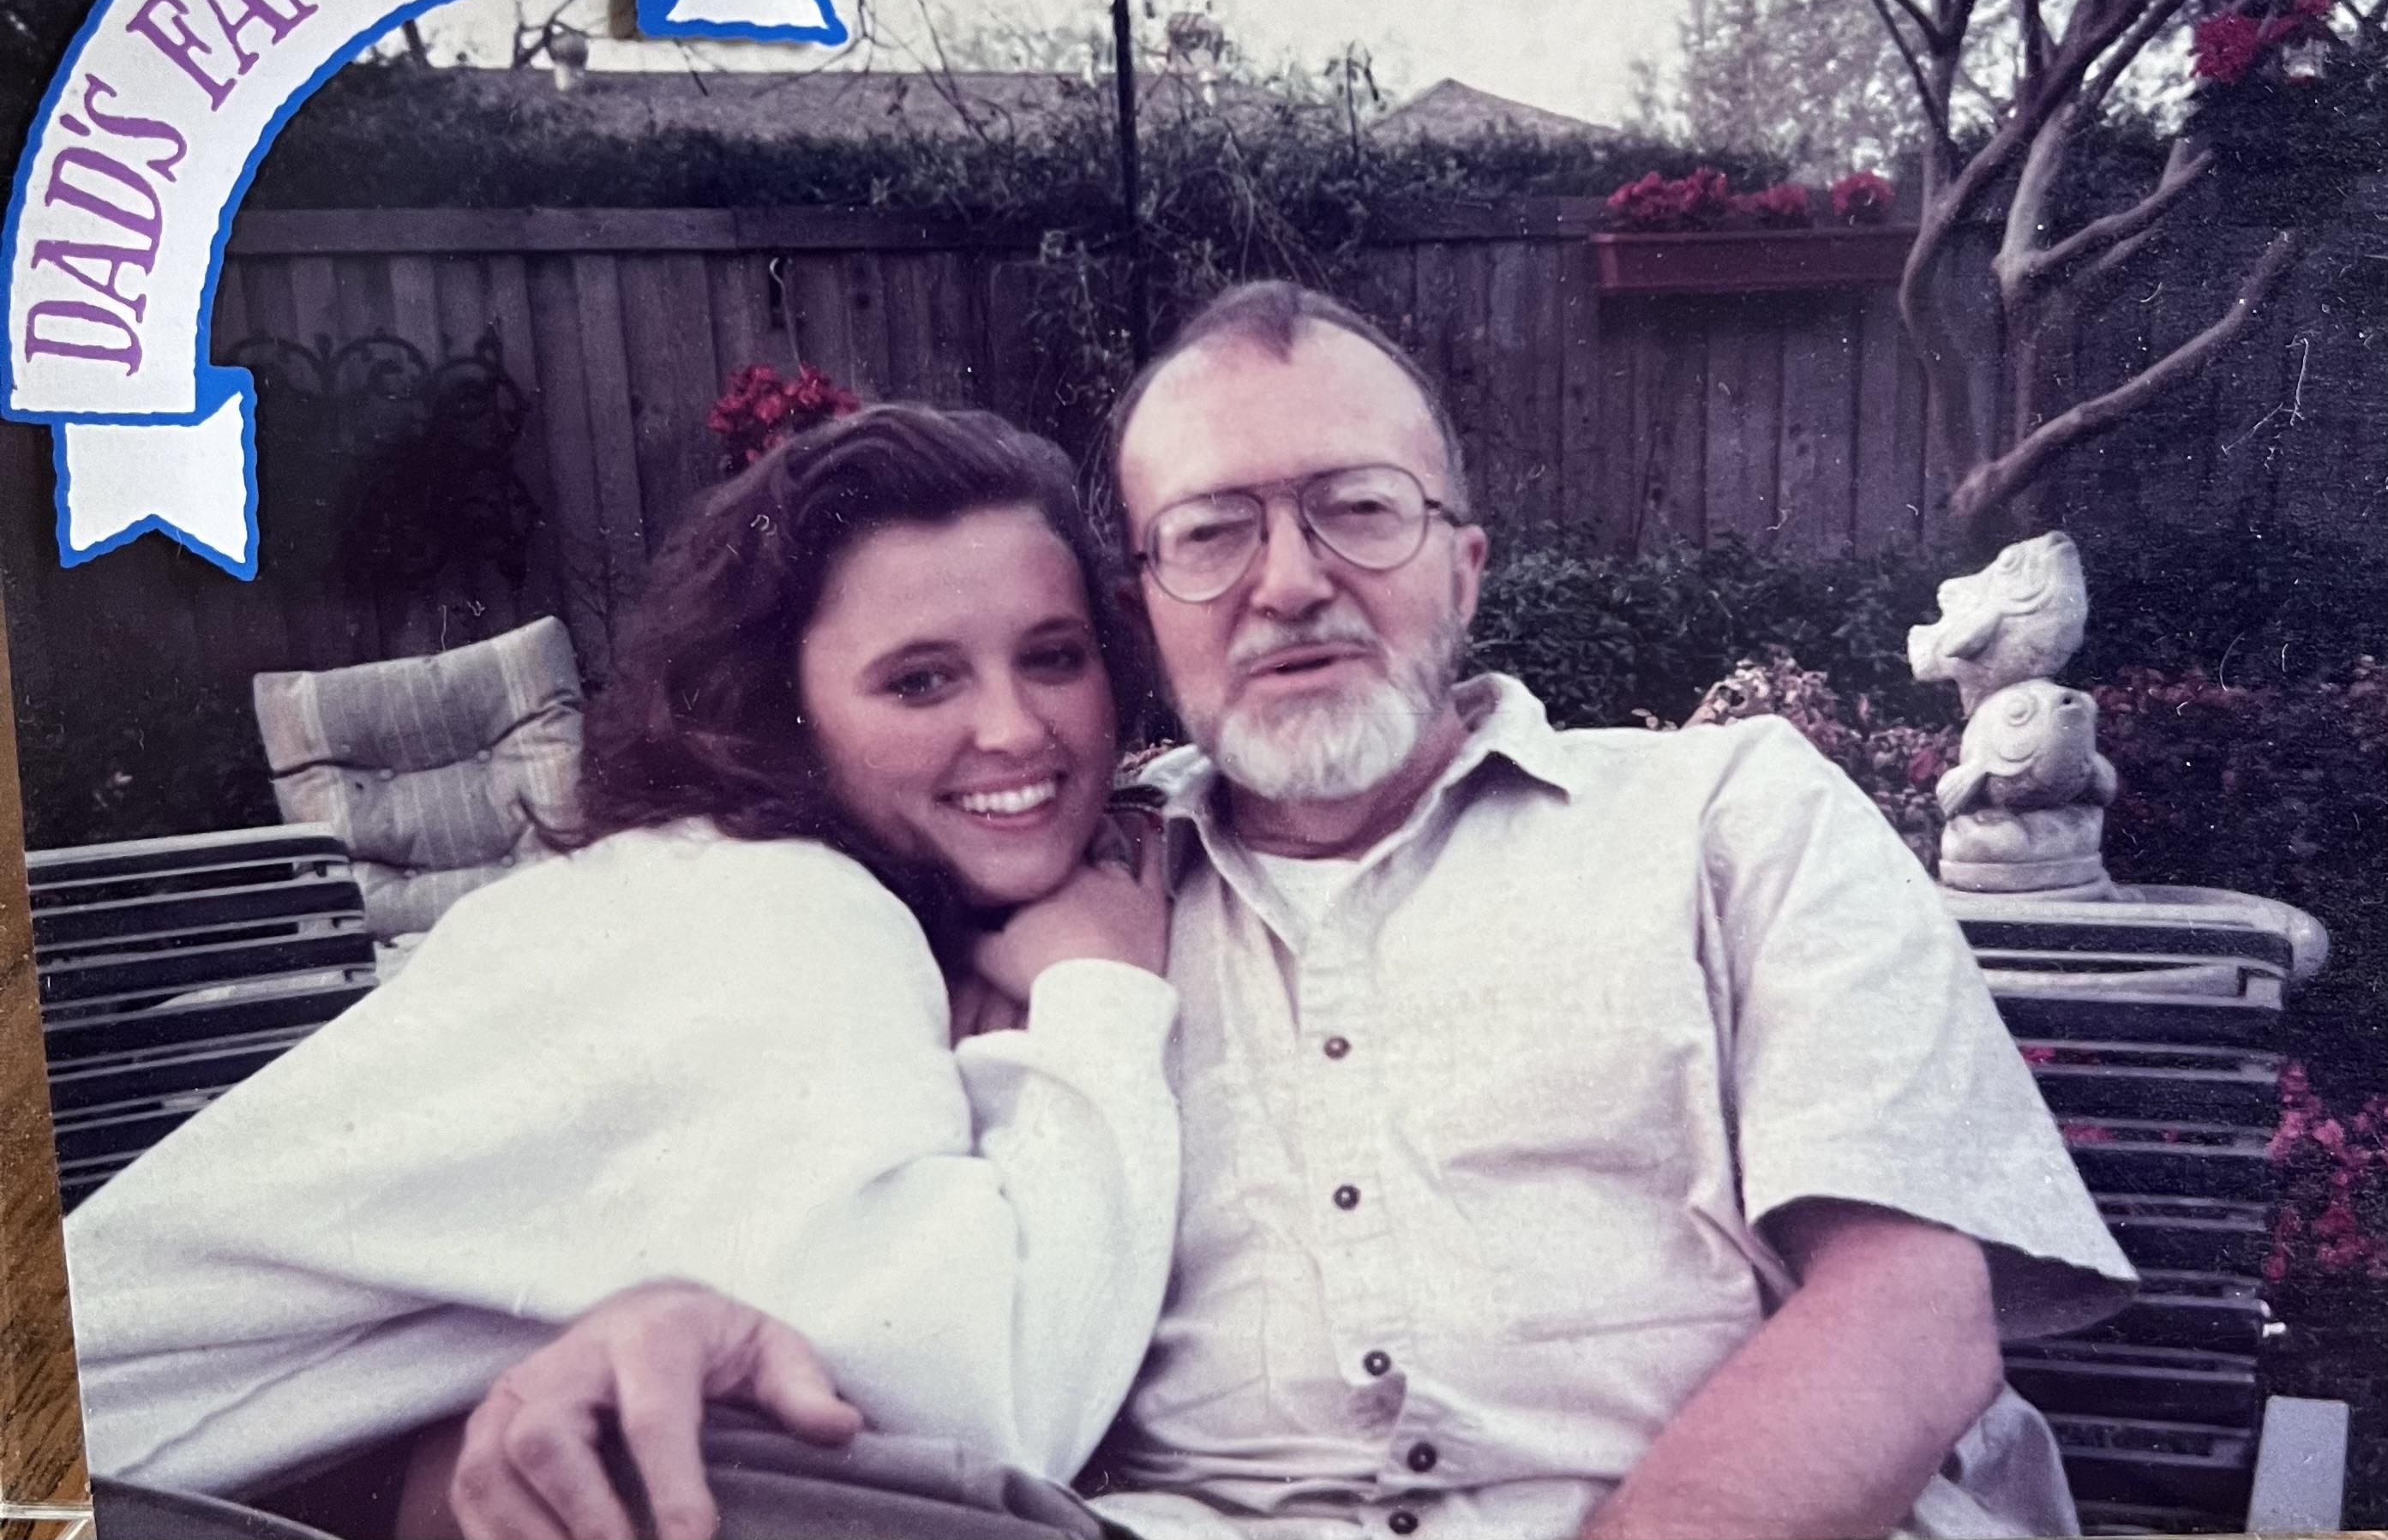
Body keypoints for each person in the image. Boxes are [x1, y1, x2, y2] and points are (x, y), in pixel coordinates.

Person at [453, 281, 2141, 1540]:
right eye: (1213, 530)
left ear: (1464, 565)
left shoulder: (1731, 814)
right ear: (1144, 607)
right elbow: (923, 1297)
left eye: (1357, 507)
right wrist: (683, 1310)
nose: (1287, 578)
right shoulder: (1057, 894)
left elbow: (1911, 1311)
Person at [62, 404, 1183, 1540]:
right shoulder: (782, 907)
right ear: (781, 713)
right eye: (919, 681)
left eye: (1052, 657)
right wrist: (1098, 989)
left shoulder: (731, 883)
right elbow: (985, 1415)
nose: (1013, 727)